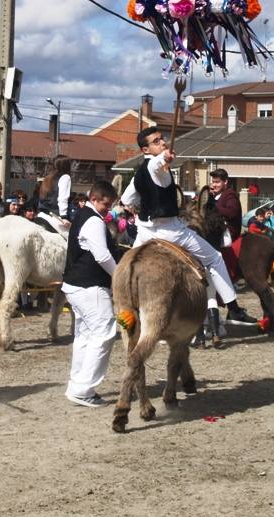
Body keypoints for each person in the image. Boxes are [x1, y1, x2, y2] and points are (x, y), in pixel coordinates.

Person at [120, 127, 255, 324]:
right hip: (171, 232)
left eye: (162, 139)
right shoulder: (156, 168)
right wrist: (164, 158)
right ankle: (233, 307)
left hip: (144, 233)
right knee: (215, 258)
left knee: (127, 268)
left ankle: (123, 306)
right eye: (156, 141)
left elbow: (126, 198)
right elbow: (155, 167)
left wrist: (142, 206)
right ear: (145, 150)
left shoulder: (139, 173)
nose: (163, 142)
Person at [61, 180, 123, 407]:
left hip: (76, 286)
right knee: (104, 334)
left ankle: (77, 386)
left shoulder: (81, 215)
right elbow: (103, 256)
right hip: (90, 286)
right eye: (106, 205)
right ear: (94, 199)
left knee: (85, 337)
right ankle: (84, 389)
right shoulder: (93, 221)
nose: (108, 210)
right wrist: (119, 277)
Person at [207, 168, 242, 282]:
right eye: (213, 182)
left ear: (225, 182)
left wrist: (214, 206)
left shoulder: (230, 195)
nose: (214, 185)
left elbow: (232, 212)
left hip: (228, 231)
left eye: (217, 182)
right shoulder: (217, 195)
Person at [37, 156, 73, 235]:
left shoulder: (47, 178)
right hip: (55, 218)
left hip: (41, 215)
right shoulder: (65, 177)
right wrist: (64, 217)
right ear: (66, 165)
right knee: (74, 241)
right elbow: (63, 199)